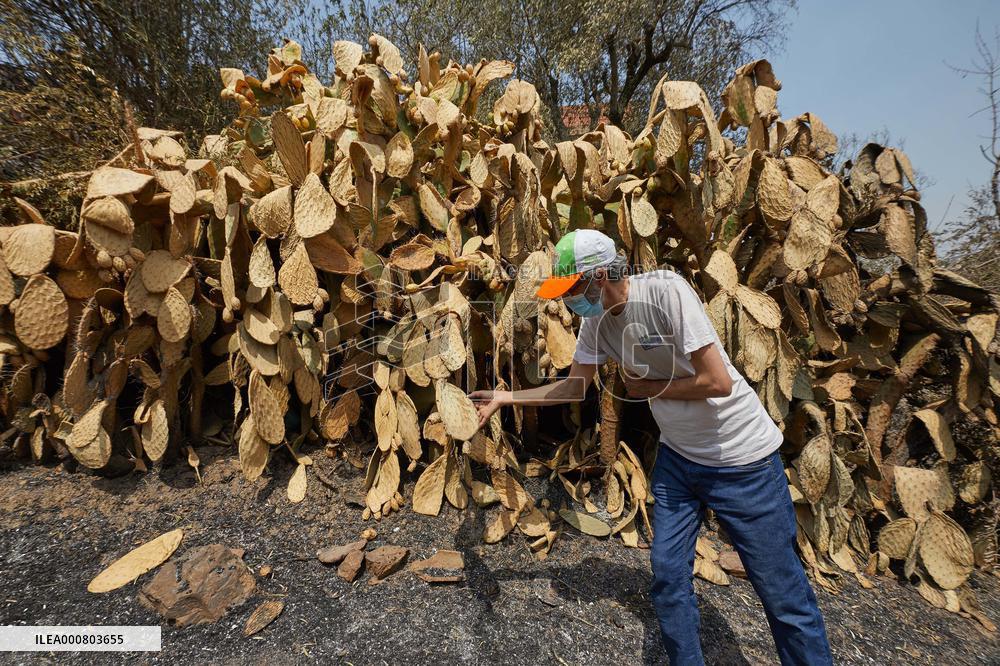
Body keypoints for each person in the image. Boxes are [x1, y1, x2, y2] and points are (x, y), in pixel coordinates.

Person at [469, 229, 832, 666]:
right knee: (668, 577)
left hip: (743, 463)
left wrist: (651, 387)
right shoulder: (596, 323)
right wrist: (505, 397)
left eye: (572, 290)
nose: (567, 303)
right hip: (679, 462)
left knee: (783, 596)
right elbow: (573, 385)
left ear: (601, 276)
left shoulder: (667, 294)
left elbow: (716, 381)